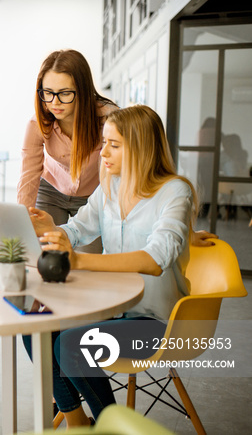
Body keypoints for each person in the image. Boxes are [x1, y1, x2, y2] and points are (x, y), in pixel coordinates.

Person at [27, 105, 198, 427]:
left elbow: (155, 258)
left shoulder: (175, 191)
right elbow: (79, 229)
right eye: (103, 143)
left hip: (157, 324)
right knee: (32, 326)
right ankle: (79, 422)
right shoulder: (110, 187)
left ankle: (110, 427)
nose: (103, 152)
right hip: (111, 310)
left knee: (71, 343)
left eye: (114, 145)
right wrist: (53, 229)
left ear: (141, 148)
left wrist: (79, 260)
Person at [17, 49, 118, 251]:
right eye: (48, 93)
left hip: (93, 197)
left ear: (82, 89)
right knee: (47, 254)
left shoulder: (109, 119)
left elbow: (131, 171)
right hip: (52, 191)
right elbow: (28, 176)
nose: (54, 102)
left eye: (64, 93)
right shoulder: (37, 124)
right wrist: (21, 220)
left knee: (89, 261)